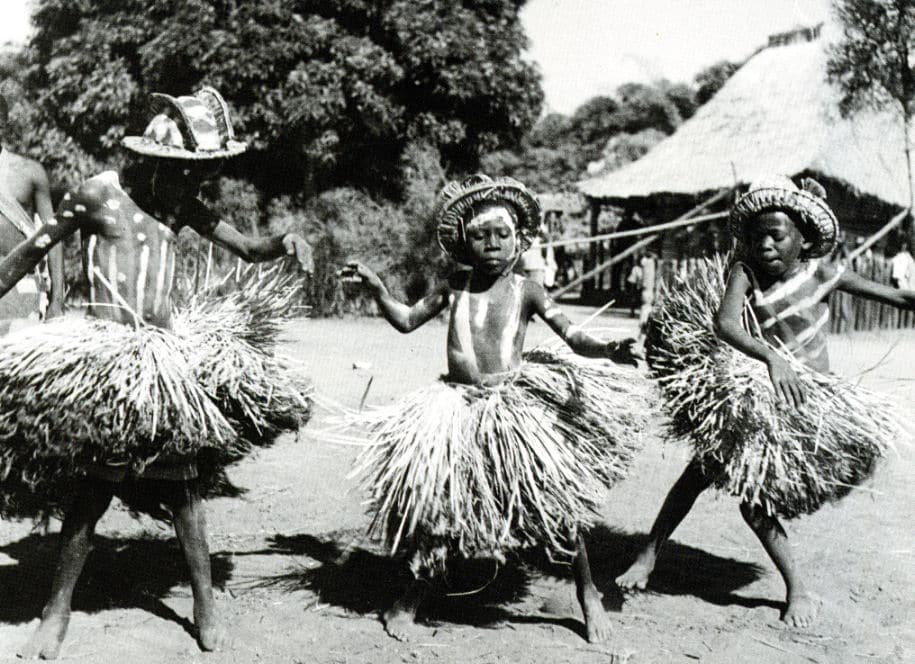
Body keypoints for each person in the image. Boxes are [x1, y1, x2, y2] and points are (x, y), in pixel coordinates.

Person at [0, 87, 312, 659]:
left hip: (162, 363)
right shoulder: (98, 194)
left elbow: (246, 246)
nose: (192, 185)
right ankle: (58, 607)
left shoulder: (182, 204)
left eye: (200, 174)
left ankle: (204, 605)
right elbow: (32, 251)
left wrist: (282, 241)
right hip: (109, 361)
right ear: (149, 158)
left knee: (187, 493)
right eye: (182, 171)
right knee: (94, 492)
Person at [341, 175, 646, 656]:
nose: (491, 244)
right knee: (438, 505)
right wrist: (378, 287)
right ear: (463, 241)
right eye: (480, 235)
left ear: (520, 240)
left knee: (559, 507)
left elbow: (572, 336)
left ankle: (588, 593)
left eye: (501, 234)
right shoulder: (453, 287)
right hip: (455, 410)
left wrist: (609, 348)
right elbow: (404, 320)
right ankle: (409, 597)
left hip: (512, 412)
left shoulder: (527, 291)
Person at [617, 175, 914, 629]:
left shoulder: (823, 273)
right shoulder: (746, 272)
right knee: (703, 475)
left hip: (810, 407)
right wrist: (772, 359)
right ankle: (651, 556)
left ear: (803, 240)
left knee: (774, 495)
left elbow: (894, 294)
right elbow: (726, 324)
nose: (766, 246)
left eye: (776, 236)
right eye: (756, 237)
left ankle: (792, 584)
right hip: (761, 396)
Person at [0, 95, 65, 332]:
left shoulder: (29, 173)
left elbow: (55, 235)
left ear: (3, 124)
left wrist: (58, 299)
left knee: (18, 364)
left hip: (21, 286)